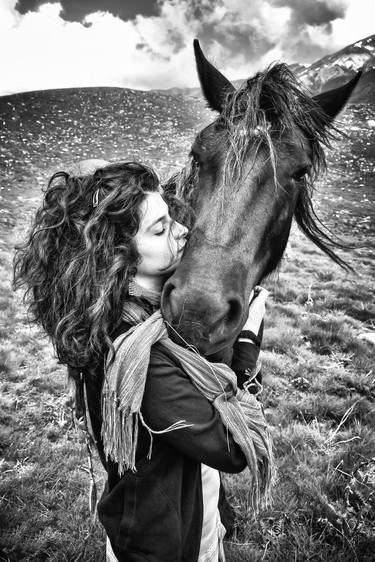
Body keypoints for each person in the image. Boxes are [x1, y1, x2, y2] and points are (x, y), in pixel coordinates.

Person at [13, 161, 272, 562]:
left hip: (176, 515)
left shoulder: (125, 320)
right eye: (161, 227)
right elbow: (234, 449)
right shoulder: (140, 357)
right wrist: (249, 340)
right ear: (120, 255)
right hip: (161, 545)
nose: (183, 231)